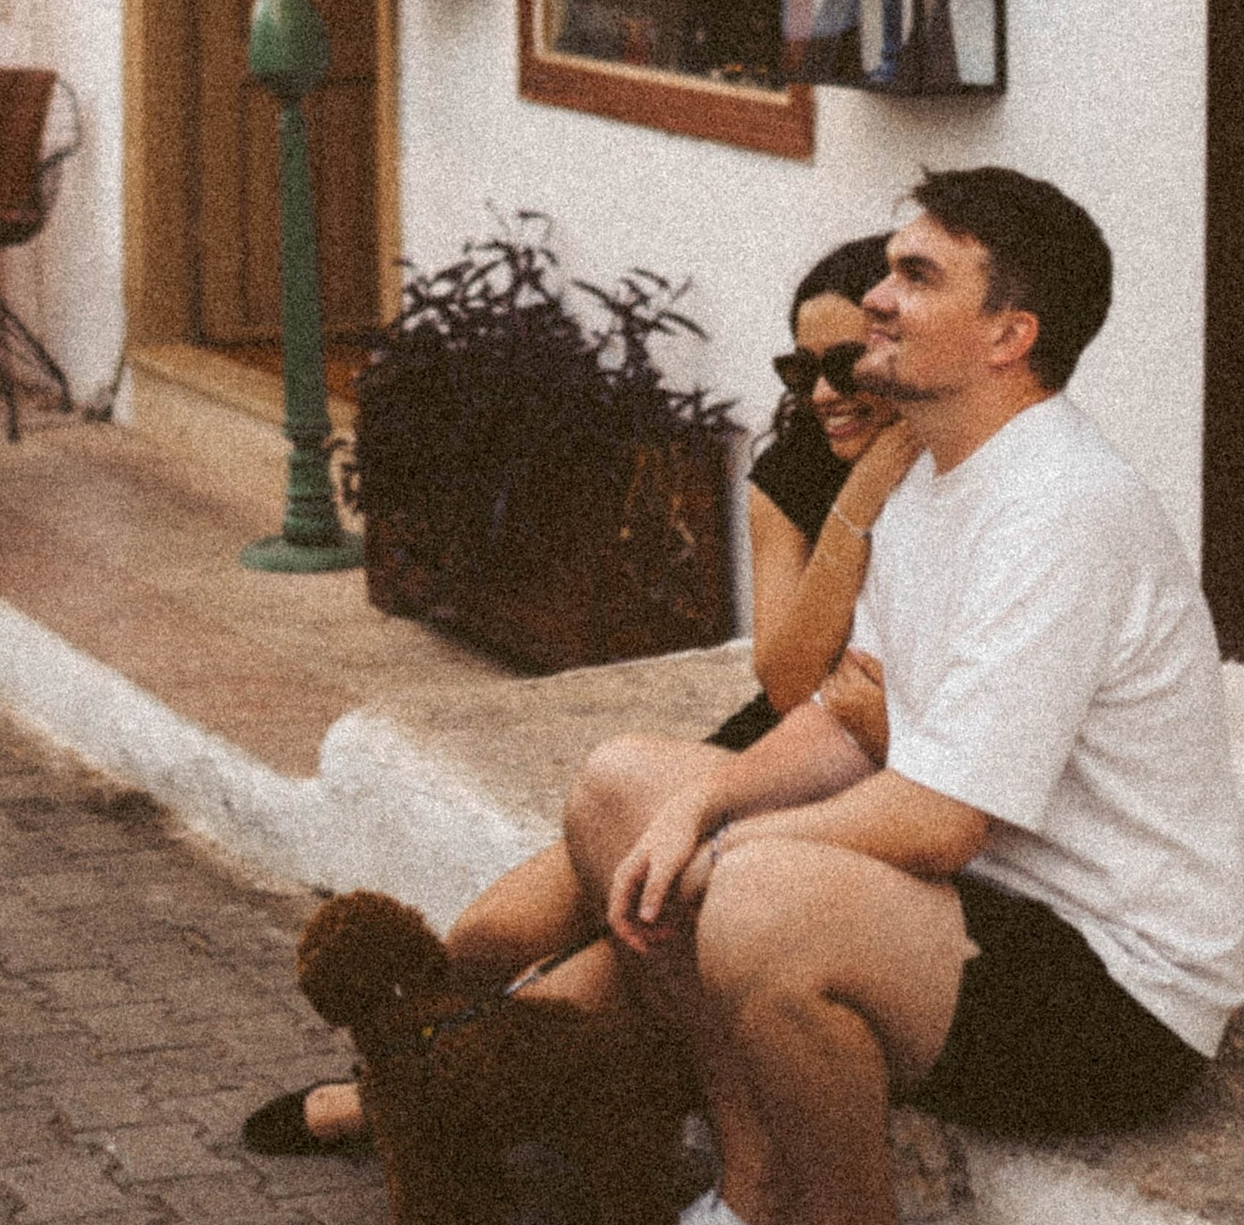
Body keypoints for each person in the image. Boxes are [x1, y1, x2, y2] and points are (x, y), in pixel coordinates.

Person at [563, 166, 1244, 1225]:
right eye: (888, 269)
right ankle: (762, 1208)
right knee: (622, 791)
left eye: (916, 277)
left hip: (1112, 987)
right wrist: (700, 806)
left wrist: (733, 847)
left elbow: (938, 820)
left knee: (760, 894)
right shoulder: (934, 475)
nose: (875, 298)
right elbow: (846, 711)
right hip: (974, 913)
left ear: (1008, 335)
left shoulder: (1061, 507)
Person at [242, 236, 910, 1166]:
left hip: (845, 781)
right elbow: (786, 680)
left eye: (846, 364)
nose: (825, 394)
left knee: (597, 981)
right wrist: (856, 501)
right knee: (487, 938)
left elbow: (818, 687)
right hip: (767, 745)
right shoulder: (797, 469)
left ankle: (388, 1105)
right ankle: (412, 1074)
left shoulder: (950, 479)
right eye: (802, 371)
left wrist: (874, 495)